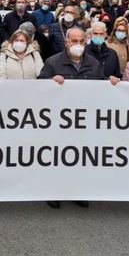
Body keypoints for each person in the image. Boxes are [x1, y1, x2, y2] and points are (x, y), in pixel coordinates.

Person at [39, 26, 103, 209]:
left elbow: (103, 87)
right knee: (57, 158)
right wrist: (50, 82)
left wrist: (113, 83)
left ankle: (77, 192)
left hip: (84, 121)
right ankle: (53, 192)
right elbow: (38, 87)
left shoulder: (94, 64)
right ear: (66, 42)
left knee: (80, 159)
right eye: (74, 41)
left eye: (82, 41)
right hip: (59, 122)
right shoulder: (53, 63)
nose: (78, 45)